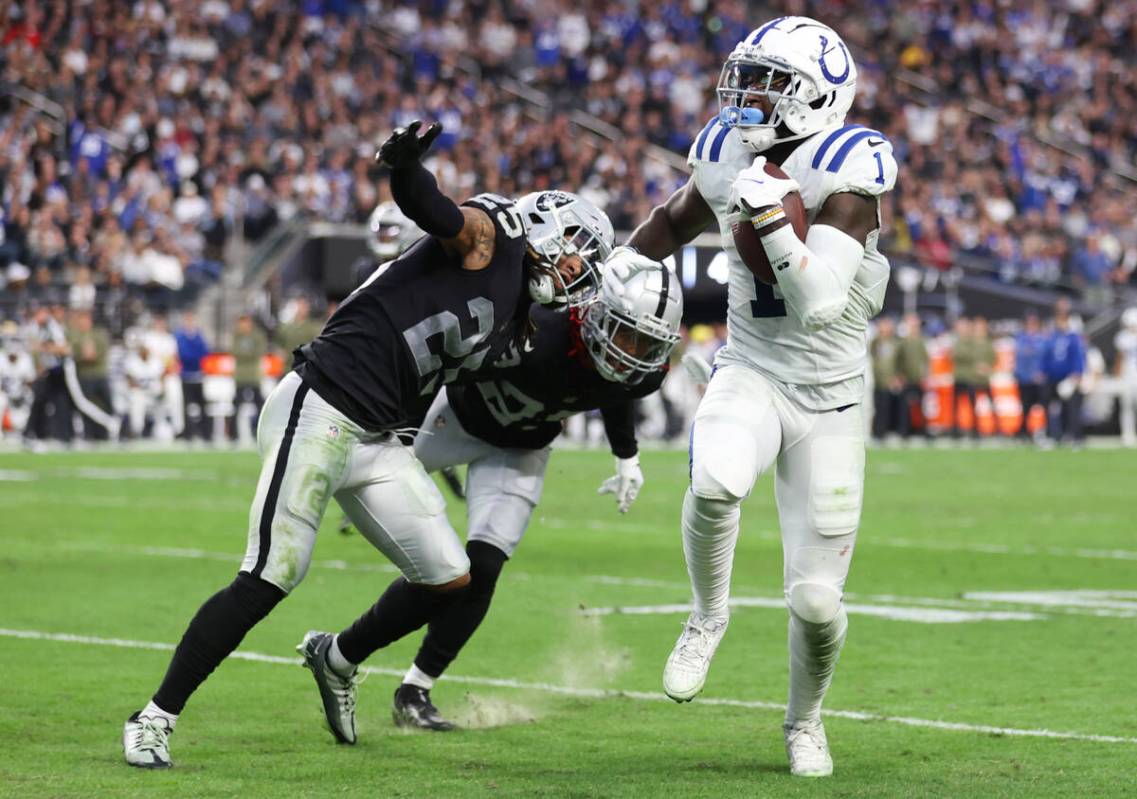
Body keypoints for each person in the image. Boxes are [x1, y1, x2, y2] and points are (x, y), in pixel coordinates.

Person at [122, 121, 608, 769]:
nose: (577, 271)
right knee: (272, 572)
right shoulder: (493, 238)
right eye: (576, 253)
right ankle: (153, 717)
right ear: (548, 229)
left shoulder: (521, 316)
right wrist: (404, 168)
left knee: (448, 577)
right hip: (322, 400)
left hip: (377, 436)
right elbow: (434, 210)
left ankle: (338, 655)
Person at [606, 17, 897, 777]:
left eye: (771, 81)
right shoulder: (726, 147)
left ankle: (804, 720)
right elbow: (675, 218)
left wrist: (768, 218)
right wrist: (621, 265)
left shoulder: (848, 165)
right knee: (713, 480)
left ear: (816, 95)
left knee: (815, 602)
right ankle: (707, 615)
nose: (749, 94)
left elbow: (821, 302)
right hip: (753, 368)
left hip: (830, 399)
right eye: (748, 75)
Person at [300, 237, 671, 737]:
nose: (634, 354)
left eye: (646, 343)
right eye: (627, 336)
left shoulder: (638, 369)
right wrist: (405, 423)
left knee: (481, 570)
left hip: (520, 450)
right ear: (597, 314)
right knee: (380, 501)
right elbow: (446, 356)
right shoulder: (542, 327)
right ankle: (304, 483)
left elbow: (616, 386)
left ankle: (414, 689)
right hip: (450, 421)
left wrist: (626, 454)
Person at [1042, 299, 1086, 445]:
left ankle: (1074, 436)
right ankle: (1053, 435)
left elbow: (1078, 356)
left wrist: (1077, 373)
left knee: (1072, 409)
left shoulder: (1073, 338)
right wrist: (1042, 370)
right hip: (1052, 377)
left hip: (1068, 378)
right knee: (1051, 408)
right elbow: (1046, 355)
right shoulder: (1052, 337)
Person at [950, 316, 995, 441]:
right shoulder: (959, 340)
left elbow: (977, 357)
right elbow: (956, 356)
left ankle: (979, 429)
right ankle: (956, 430)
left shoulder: (975, 342)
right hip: (961, 376)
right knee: (957, 406)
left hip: (972, 378)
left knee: (974, 404)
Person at [228, 312, 267, 443]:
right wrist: (248, 353)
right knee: (236, 406)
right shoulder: (236, 335)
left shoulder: (257, 335)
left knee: (260, 406)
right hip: (240, 376)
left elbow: (259, 351)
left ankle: (259, 432)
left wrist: (245, 353)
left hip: (254, 376)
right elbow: (234, 351)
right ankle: (233, 435)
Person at [175, 311, 210, 442]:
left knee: (202, 405)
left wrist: (195, 357)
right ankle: (188, 433)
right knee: (187, 406)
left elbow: (205, 352)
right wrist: (195, 357)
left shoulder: (198, 335)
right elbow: (184, 354)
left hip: (198, 375)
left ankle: (205, 433)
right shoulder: (180, 336)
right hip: (186, 375)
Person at [1013, 312, 1047, 442]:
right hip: (1024, 379)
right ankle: (1024, 432)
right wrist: (1020, 375)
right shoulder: (1021, 339)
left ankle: (1043, 431)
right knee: (1025, 407)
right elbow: (1019, 360)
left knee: (1042, 408)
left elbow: (1044, 359)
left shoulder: (1042, 339)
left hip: (1039, 379)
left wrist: (1041, 373)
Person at [894, 313, 929, 441]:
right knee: (905, 407)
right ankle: (904, 431)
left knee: (921, 406)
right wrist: (899, 375)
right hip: (907, 378)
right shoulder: (904, 342)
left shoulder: (921, 341)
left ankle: (922, 431)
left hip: (919, 378)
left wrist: (925, 376)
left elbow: (925, 360)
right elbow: (898, 360)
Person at [869, 317, 899, 442]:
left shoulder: (894, 342)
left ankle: (885, 432)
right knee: (877, 407)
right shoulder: (877, 342)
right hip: (877, 379)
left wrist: (896, 377)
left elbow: (897, 361)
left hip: (889, 380)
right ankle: (876, 432)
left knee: (888, 408)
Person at [1116, 307, 1137, 448]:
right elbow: (1121, 357)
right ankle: (1127, 435)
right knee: (1127, 406)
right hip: (1128, 375)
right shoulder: (1122, 337)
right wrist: (1119, 375)